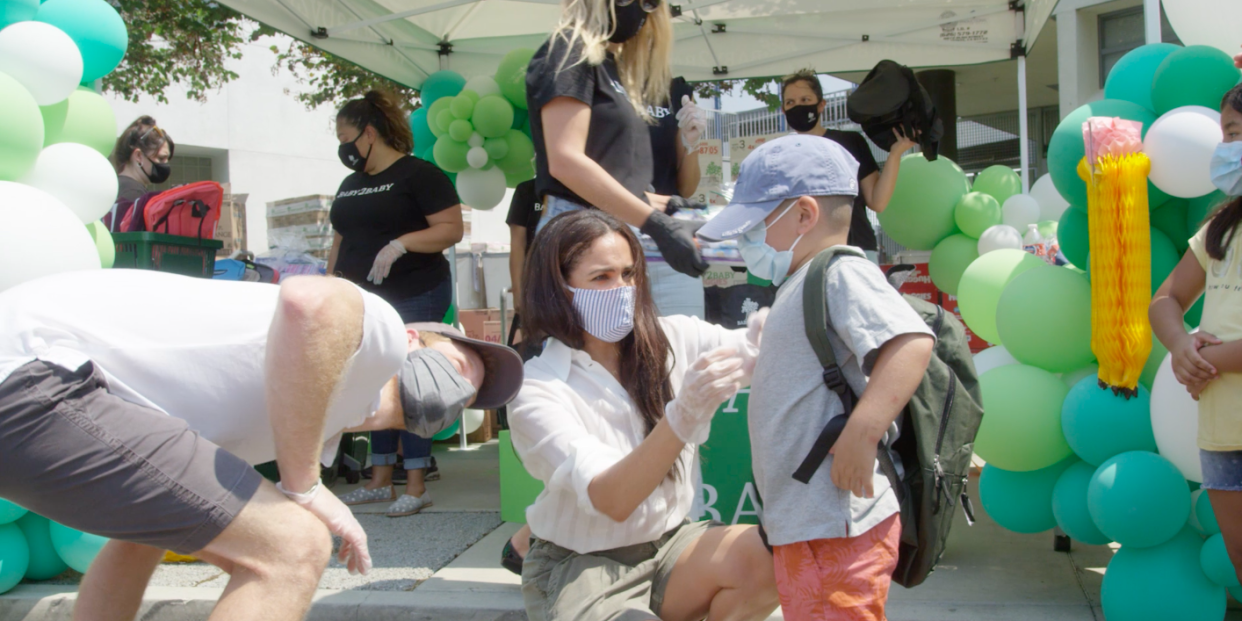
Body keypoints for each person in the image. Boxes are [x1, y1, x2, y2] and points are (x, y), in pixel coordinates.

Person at [0, 269, 524, 621]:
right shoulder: (381, 333)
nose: (459, 392)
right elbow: (309, 300)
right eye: (457, 365)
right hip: (35, 372)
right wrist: (303, 486)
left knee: (150, 533)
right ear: (415, 339)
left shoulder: (310, 423)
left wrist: (305, 480)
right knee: (292, 546)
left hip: (37, 387)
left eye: (470, 396)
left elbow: (143, 530)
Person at [697, 135, 935, 621]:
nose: (746, 241)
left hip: (836, 521)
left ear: (804, 215)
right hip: (807, 522)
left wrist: (862, 432)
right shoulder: (800, 282)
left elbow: (910, 342)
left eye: (755, 225)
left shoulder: (840, 272)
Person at [507, 209, 779, 621]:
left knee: (773, 560)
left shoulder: (674, 337)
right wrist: (681, 418)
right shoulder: (537, 388)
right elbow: (612, 499)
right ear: (557, 288)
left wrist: (772, 333)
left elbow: (752, 348)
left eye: (629, 274)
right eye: (601, 277)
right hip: (583, 564)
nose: (622, 289)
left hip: (672, 544)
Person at [327, 90, 465, 517]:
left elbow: (451, 228)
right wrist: (330, 281)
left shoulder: (420, 175)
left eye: (346, 136)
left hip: (415, 289)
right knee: (373, 379)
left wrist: (402, 244)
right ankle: (380, 478)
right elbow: (340, 237)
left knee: (412, 380)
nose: (343, 147)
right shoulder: (351, 184)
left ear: (369, 133)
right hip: (363, 298)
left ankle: (417, 481)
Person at [525, 0, 708, 280]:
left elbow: (614, 178)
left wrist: (664, 205)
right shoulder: (569, 51)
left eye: (650, 2)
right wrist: (656, 222)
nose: (638, 8)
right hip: (580, 233)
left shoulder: (619, 71)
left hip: (623, 232)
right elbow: (565, 161)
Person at [1150, 82, 1242, 588]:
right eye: (1229, 133)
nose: (1230, 146)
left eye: (1237, 133)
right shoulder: (1219, 228)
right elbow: (1166, 301)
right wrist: (1180, 344)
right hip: (1224, 432)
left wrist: (1207, 359)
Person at [781, 69, 917, 261]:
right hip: (804, 254)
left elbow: (877, 201)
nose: (798, 107)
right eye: (790, 102)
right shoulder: (780, 154)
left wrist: (896, 153)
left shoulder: (851, 142)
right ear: (783, 110)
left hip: (857, 249)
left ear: (821, 105)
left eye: (805, 100)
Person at [107, 116, 174, 229]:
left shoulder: (113, 185)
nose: (165, 164)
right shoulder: (134, 194)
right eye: (161, 158)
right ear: (138, 156)